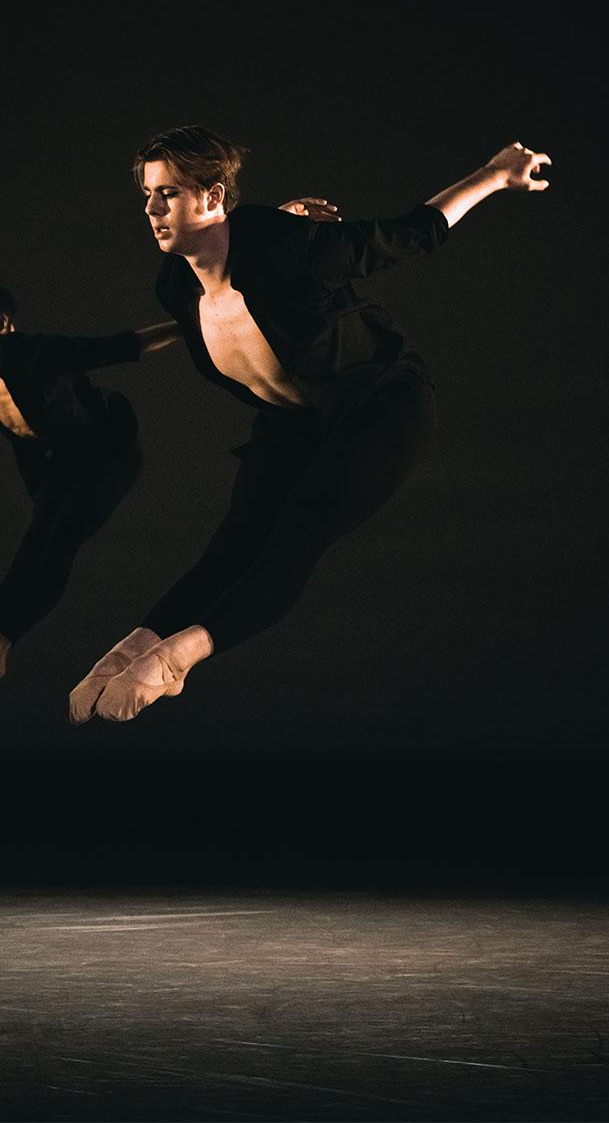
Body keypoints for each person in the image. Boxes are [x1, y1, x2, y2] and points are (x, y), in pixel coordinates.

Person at [69, 125, 550, 723]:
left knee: (298, 530)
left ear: (213, 197)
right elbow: (233, 263)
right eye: (147, 194)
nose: (150, 209)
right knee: (234, 542)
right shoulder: (175, 285)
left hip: (382, 406)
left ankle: (175, 663)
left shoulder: (295, 249)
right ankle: (130, 649)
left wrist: (496, 174)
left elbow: (411, 232)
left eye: (167, 193)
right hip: (294, 418)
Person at [0, 197, 340, 707]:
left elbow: (119, 347)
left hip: (110, 455)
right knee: (36, 539)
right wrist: (41, 494)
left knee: (59, 541)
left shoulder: (35, 353)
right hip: (63, 465)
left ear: (1, 324)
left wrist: (190, 318)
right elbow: (21, 441)